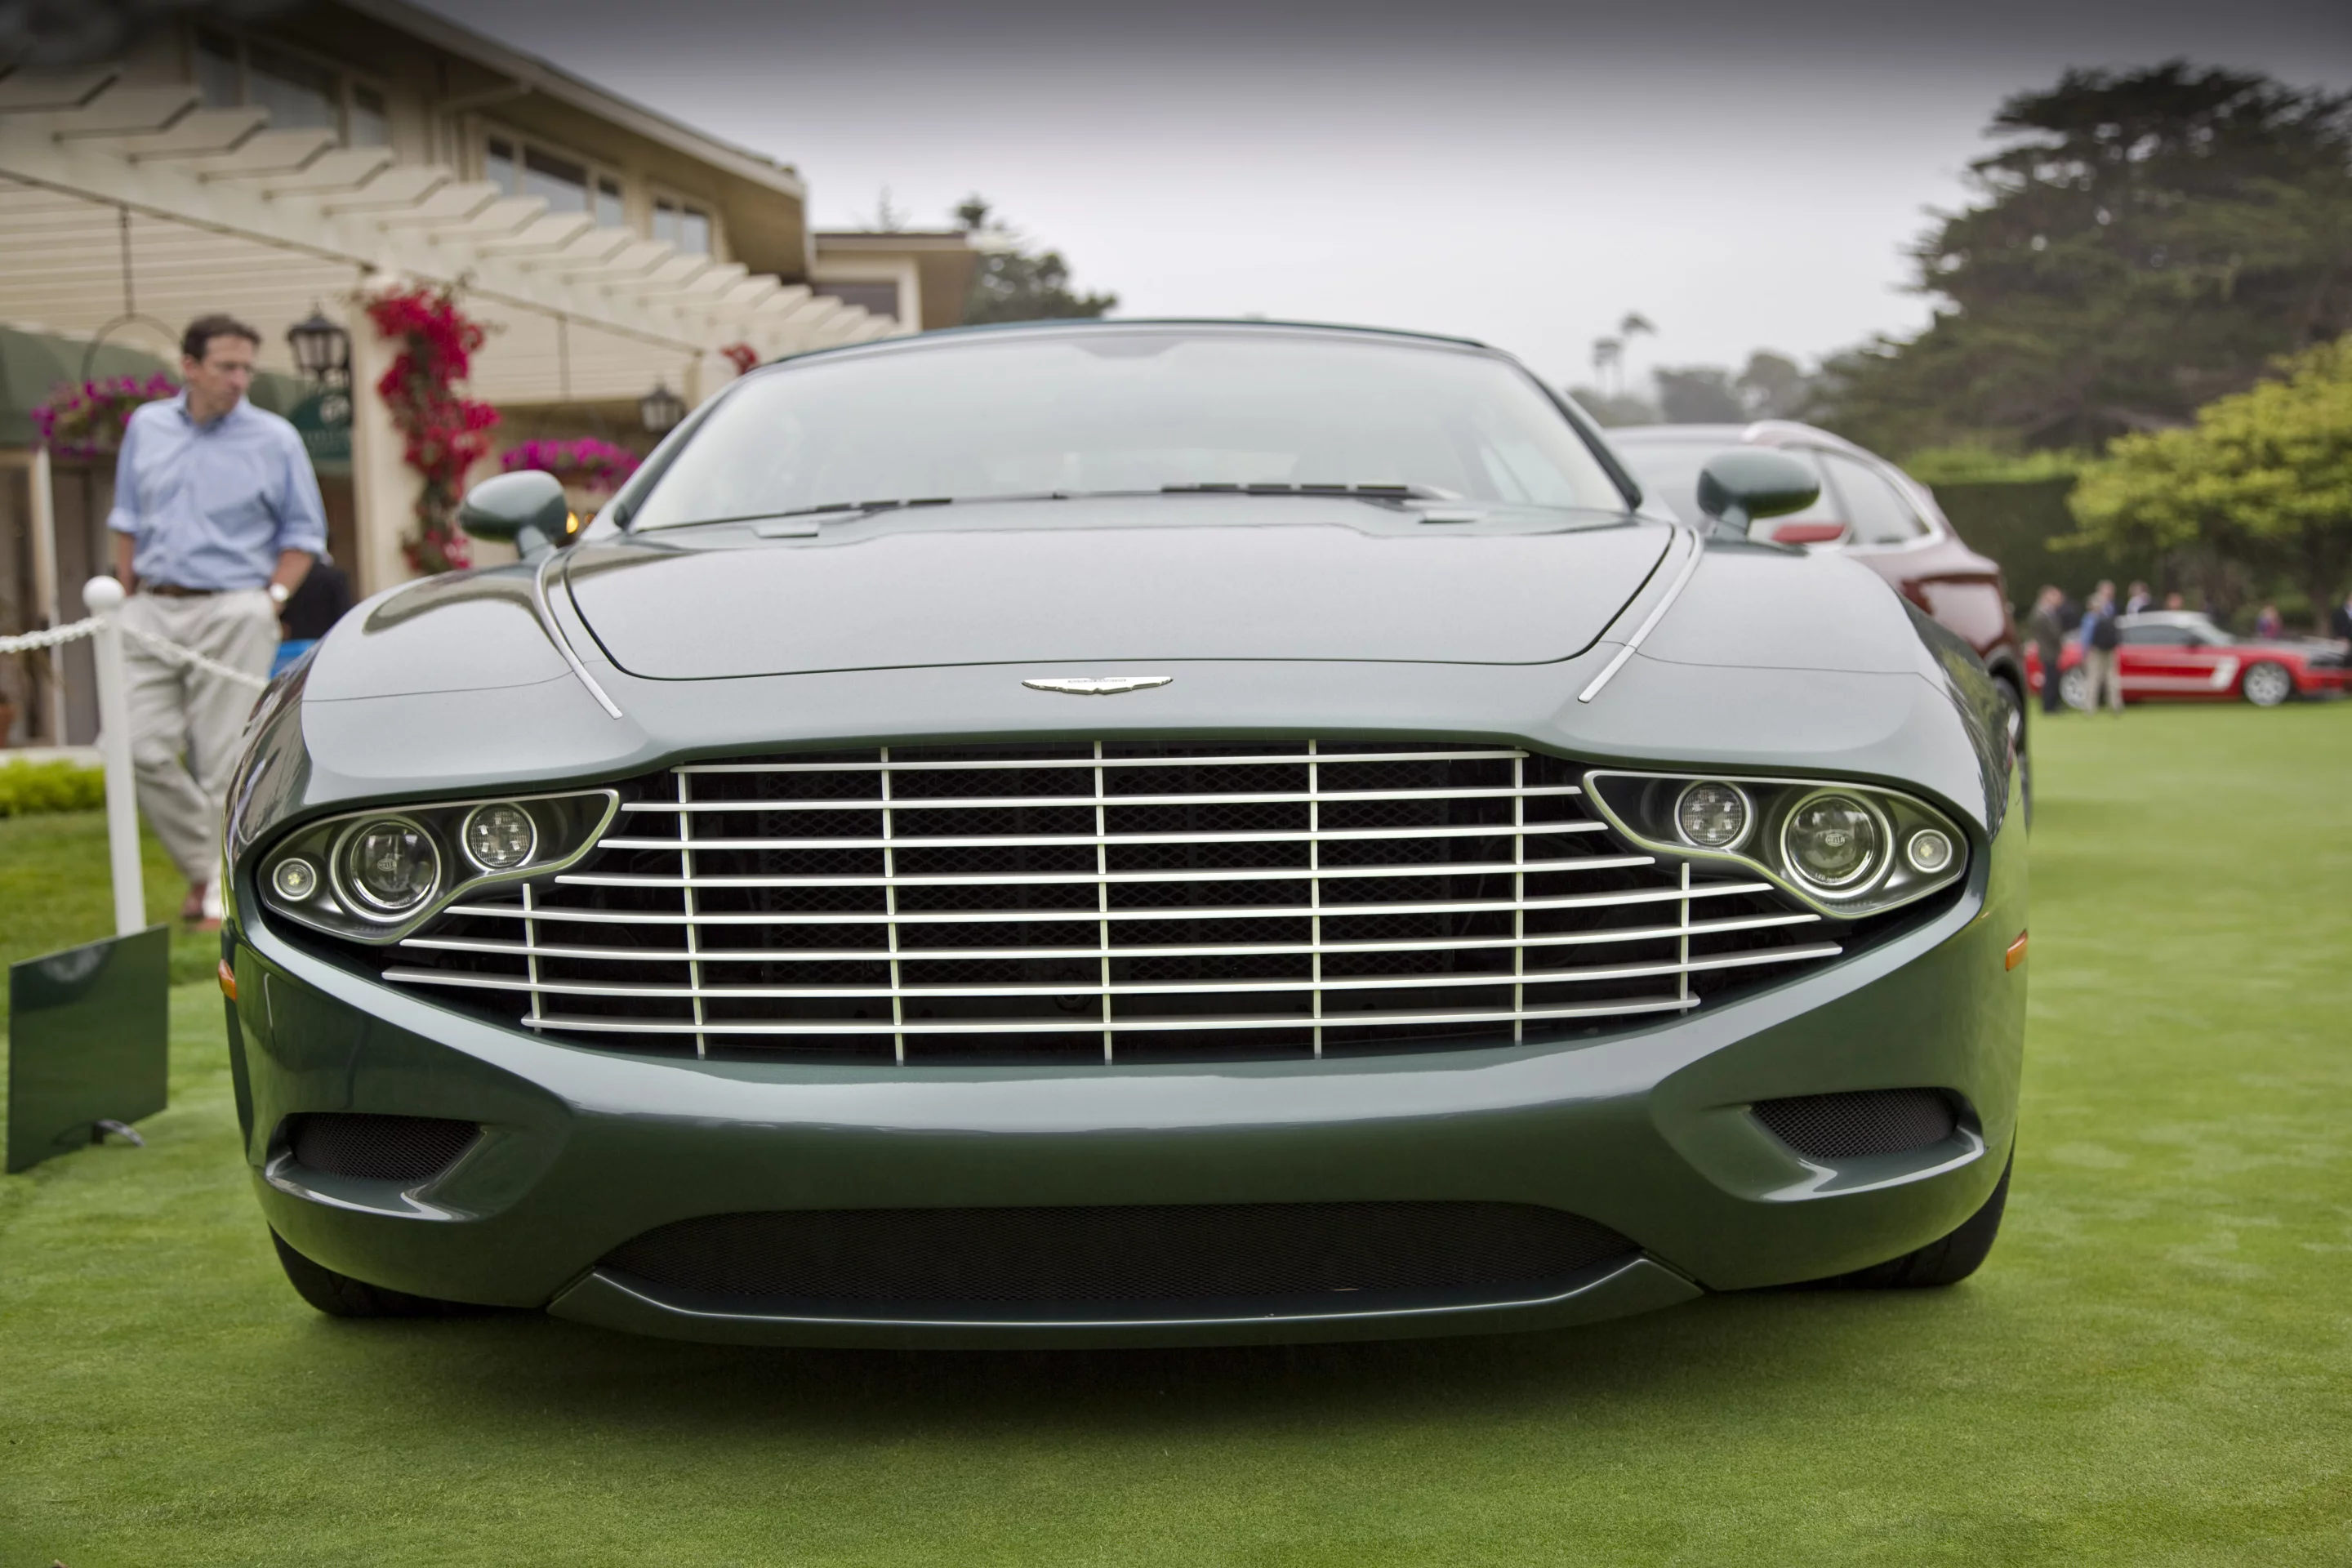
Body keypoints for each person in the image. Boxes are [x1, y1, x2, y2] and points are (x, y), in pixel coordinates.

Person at [109, 314, 324, 927]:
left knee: (220, 759)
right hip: (149, 606)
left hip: (236, 606)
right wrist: (123, 595)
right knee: (133, 748)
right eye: (227, 367)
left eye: (247, 368)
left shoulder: (275, 437)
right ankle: (205, 870)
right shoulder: (146, 427)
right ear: (190, 367)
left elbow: (305, 534)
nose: (239, 379)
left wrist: (272, 598)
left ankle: (215, 892)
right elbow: (125, 519)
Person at [271, 558, 352, 676]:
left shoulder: (282, 579)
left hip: (288, 649)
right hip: (324, 647)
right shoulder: (334, 576)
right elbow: (344, 616)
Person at [2077, 581, 2124, 714]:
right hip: (2110, 649)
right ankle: (2115, 705)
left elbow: (2086, 637)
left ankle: (2090, 706)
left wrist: (2084, 653)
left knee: (2093, 677)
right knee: (2112, 677)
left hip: (2095, 650)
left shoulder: (2090, 618)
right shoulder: (2109, 615)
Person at [2027, 585, 2068, 715]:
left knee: (2053, 678)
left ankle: (2052, 704)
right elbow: (2050, 632)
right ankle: (2049, 706)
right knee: (2050, 679)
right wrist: (2059, 636)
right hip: (2048, 650)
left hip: (2051, 650)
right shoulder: (2041, 613)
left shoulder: (2047, 612)